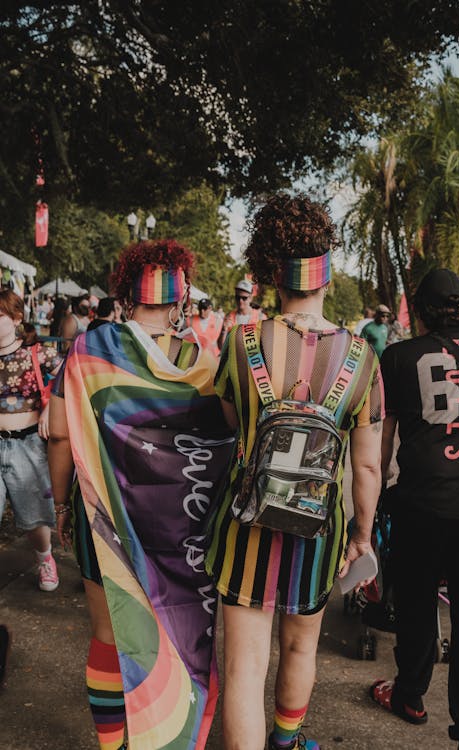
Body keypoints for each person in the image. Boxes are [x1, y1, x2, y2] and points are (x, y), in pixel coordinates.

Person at [205, 194, 384, 750]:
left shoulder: (240, 343)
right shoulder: (362, 359)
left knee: (242, 669)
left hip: (245, 527)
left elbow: (231, 423)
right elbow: (368, 464)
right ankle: (286, 743)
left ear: (272, 278)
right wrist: (360, 535)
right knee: (301, 648)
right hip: (319, 531)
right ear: (325, 280)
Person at [48, 239, 234, 750]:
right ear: (180, 301)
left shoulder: (89, 350)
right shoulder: (207, 365)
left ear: (126, 296)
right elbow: (225, 443)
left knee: (109, 640)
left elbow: (61, 435)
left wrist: (62, 504)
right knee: (178, 634)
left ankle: (113, 746)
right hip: (184, 527)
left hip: (104, 516)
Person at [370, 269, 459, 750]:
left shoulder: (399, 356)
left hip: (421, 505)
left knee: (417, 604)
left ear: (420, 311)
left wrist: (372, 501)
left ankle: (409, 696)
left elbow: (381, 443)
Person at [0, 289, 62, 592]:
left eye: (0, 316)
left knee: (34, 514)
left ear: (16, 318)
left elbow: (69, 379)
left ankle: (45, 558)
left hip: (28, 444)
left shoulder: (38, 354)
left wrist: (50, 406)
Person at [219, 278, 267, 348]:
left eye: (244, 298)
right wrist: (224, 331)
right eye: (237, 297)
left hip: (254, 358)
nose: (240, 301)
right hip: (233, 358)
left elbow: (266, 346)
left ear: (250, 298)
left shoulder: (261, 317)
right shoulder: (229, 316)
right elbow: (221, 347)